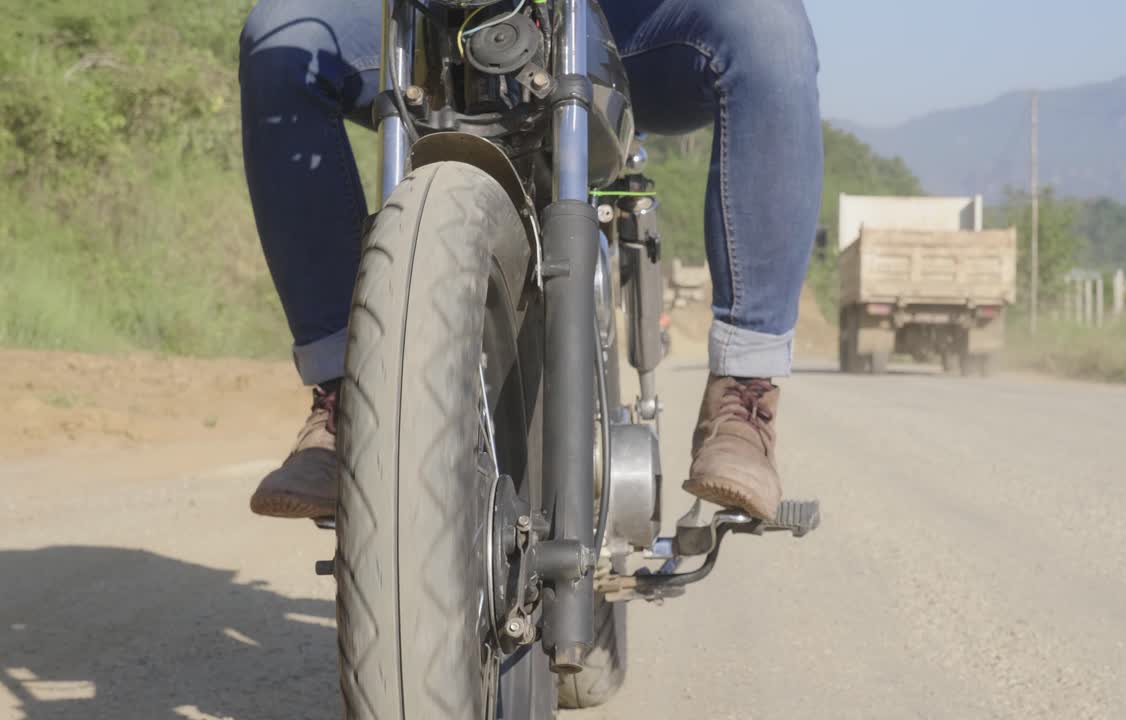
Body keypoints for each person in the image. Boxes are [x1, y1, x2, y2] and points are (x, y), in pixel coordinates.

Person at [240, 0, 822, 522]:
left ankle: (741, 399)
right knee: (279, 39)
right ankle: (346, 404)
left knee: (768, 27)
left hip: (619, 20)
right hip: (436, 17)